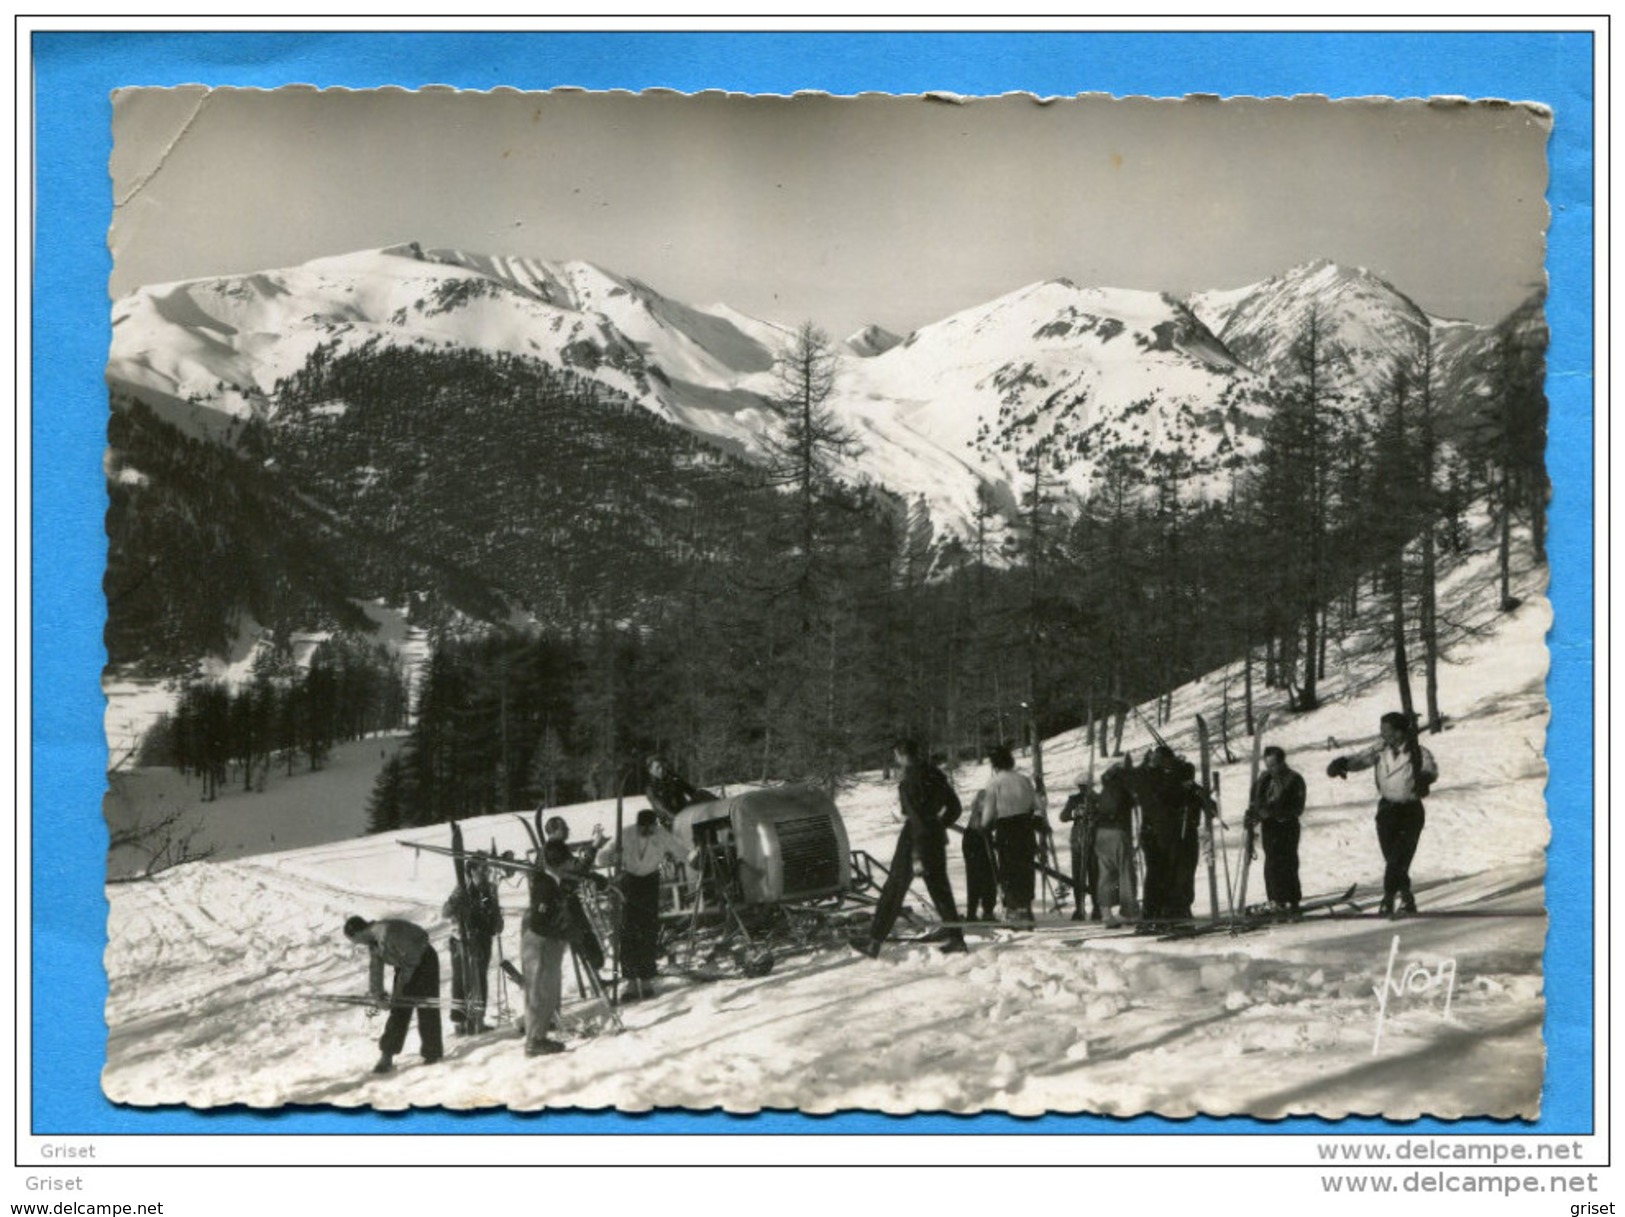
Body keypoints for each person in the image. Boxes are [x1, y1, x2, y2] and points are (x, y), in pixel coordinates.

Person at [851, 739, 968, 958]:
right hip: (934, 837)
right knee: (941, 890)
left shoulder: (908, 782)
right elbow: (955, 807)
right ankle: (956, 939)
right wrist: (938, 825)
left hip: (914, 840)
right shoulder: (936, 774)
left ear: (902, 756)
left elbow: (915, 818)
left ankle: (874, 942)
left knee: (893, 890)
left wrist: (916, 854)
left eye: (896, 756)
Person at [1328, 711, 1439, 916]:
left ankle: (1389, 897)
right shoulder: (1381, 750)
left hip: (1410, 810)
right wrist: (1343, 764)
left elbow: (1431, 769)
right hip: (1387, 810)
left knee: (1399, 857)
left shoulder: (1417, 752)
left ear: (1398, 732)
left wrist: (1424, 779)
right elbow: (1361, 759)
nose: (1382, 734)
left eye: (1386, 730)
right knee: (1392, 858)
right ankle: (1406, 896)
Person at [596, 808, 688, 999]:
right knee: (628, 932)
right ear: (638, 825)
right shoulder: (626, 833)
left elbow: (681, 851)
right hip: (628, 883)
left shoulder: (661, 834)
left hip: (650, 884)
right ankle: (630, 983)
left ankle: (646, 981)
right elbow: (601, 857)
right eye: (643, 827)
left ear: (654, 825)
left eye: (650, 827)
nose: (647, 831)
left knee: (647, 931)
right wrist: (613, 856)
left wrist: (694, 858)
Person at [342, 914, 444, 1075]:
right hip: (406, 965)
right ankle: (386, 1057)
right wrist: (379, 996)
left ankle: (432, 1054)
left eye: (353, 940)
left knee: (426, 1006)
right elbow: (376, 970)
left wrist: (401, 986)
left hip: (424, 959)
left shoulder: (387, 932)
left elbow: (413, 956)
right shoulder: (373, 942)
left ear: (358, 933)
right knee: (398, 1010)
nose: (356, 944)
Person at [1127, 746, 1211, 921]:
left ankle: (1170, 910)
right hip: (1163, 834)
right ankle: (1161, 911)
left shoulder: (1174, 781)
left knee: (1175, 873)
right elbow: (1160, 793)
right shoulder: (1156, 779)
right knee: (1167, 873)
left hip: (1175, 833)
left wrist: (1198, 793)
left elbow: (1205, 804)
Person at [520, 840, 577, 1057]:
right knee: (541, 992)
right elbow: (539, 923)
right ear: (559, 863)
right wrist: (563, 933)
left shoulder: (552, 881)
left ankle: (539, 1036)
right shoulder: (544, 885)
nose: (571, 863)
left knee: (549, 991)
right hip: (540, 943)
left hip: (549, 942)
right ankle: (534, 1040)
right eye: (567, 860)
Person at [441, 840, 504, 1036]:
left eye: (487, 868)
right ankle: (460, 1021)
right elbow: (445, 912)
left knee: (480, 978)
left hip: (482, 939)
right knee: (461, 980)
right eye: (482, 868)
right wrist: (456, 901)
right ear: (473, 870)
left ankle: (478, 1019)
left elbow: (491, 910)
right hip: (461, 940)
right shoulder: (463, 889)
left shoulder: (488, 890)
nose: (486, 871)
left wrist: (497, 920)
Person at [978, 744, 1045, 924]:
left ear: (994, 764)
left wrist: (984, 826)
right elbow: (1039, 805)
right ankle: (1026, 909)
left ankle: (1015, 911)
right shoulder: (1023, 779)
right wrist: (1037, 818)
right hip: (1025, 827)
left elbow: (989, 809)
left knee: (1009, 870)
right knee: (1025, 868)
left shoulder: (995, 782)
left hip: (1006, 829)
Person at [544, 815, 610, 978]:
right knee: (585, 940)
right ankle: (597, 980)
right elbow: (579, 868)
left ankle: (597, 979)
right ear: (554, 830)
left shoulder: (557, 848)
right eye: (563, 827)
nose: (567, 830)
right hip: (562, 903)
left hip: (566, 899)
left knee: (587, 939)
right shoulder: (554, 850)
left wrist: (595, 878)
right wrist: (594, 846)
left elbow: (574, 872)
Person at [1247, 745, 1308, 913]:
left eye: (1273, 765)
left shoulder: (1294, 779)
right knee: (1272, 861)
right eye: (1267, 765)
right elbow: (1256, 800)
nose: (1270, 768)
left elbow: (1298, 807)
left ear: (1282, 762)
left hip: (1286, 825)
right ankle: (1275, 898)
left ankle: (1291, 898)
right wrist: (1253, 814)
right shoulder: (1264, 779)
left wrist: (1274, 812)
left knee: (1287, 860)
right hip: (1269, 826)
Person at [1092, 763, 1141, 925]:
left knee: (1107, 873)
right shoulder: (1122, 790)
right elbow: (1137, 800)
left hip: (1101, 834)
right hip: (1118, 832)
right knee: (1126, 871)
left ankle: (1105, 912)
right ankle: (1128, 911)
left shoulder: (1104, 791)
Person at [1058, 775, 1099, 921]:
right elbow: (1063, 817)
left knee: (1093, 874)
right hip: (1080, 840)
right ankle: (1081, 908)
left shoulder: (1096, 799)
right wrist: (1075, 815)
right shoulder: (1075, 800)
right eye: (1082, 787)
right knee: (1081, 875)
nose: (1083, 789)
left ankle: (1096, 908)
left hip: (1092, 839)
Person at [961, 788, 999, 922]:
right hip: (976, 841)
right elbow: (981, 825)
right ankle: (978, 912)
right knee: (980, 877)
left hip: (979, 839)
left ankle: (984, 910)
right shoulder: (981, 809)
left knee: (985, 876)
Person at [644, 755, 715, 827]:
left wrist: (700, 801)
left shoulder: (674, 779)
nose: (661, 769)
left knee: (702, 793)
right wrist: (678, 819)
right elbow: (662, 808)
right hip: (669, 821)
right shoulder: (651, 788)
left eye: (663, 766)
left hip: (684, 812)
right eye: (658, 767)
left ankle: (721, 808)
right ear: (651, 771)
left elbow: (692, 791)